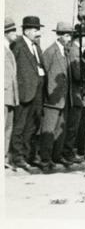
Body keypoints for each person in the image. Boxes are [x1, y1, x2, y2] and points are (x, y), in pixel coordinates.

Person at [9, 16, 45, 171]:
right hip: (24, 93)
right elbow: (12, 68)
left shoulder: (36, 47)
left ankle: (28, 155)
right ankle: (17, 158)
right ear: (27, 30)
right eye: (36, 30)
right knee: (19, 126)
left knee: (32, 126)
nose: (38, 33)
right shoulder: (17, 45)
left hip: (37, 92)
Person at [38, 22, 74, 172]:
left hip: (64, 99)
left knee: (60, 130)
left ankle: (56, 156)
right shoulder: (50, 52)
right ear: (59, 36)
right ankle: (45, 159)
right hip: (52, 100)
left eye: (70, 35)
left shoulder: (65, 52)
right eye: (66, 35)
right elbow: (44, 74)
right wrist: (46, 95)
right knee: (48, 130)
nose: (69, 38)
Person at [61, 26, 85, 164]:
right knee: (72, 125)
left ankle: (68, 151)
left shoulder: (75, 50)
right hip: (75, 94)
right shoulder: (75, 52)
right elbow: (77, 75)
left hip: (76, 94)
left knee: (73, 125)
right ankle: (68, 152)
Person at [5, 18, 19, 168]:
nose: (16, 33)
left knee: (8, 127)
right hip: (4, 93)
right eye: (13, 31)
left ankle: (4, 157)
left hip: (10, 95)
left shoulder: (8, 48)